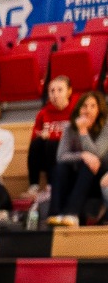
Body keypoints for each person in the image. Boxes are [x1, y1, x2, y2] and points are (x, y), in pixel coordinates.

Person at [50, 90, 108, 225]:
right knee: (60, 168)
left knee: (90, 163)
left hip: (100, 176)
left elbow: (96, 154)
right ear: (78, 109)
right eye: (84, 106)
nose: (88, 110)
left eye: (93, 106)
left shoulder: (106, 127)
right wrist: (82, 155)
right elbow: (60, 156)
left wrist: (83, 131)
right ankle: (55, 214)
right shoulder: (70, 128)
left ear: (99, 109)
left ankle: (72, 214)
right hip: (79, 176)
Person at [30, 75, 76, 192]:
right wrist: (41, 135)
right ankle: (34, 185)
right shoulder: (43, 113)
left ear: (69, 91)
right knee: (37, 143)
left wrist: (53, 135)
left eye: (60, 90)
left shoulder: (76, 110)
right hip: (47, 153)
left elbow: (76, 136)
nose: (55, 94)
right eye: (52, 91)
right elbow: (35, 135)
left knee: (51, 143)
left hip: (70, 150)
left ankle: (51, 184)